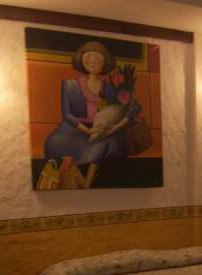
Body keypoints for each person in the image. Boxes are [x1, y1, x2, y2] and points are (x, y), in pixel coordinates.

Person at [43, 41, 142, 188]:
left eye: (97, 58)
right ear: (81, 60)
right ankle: (76, 177)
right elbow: (67, 115)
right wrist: (88, 131)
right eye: (89, 57)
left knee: (103, 145)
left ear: (105, 62)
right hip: (77, 130)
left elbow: (134, 107)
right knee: (55, 143)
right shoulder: (70, 85)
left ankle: (86, 183)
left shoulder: (110, 87)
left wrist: (115, 127)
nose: (93, 61)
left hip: (102, 130)